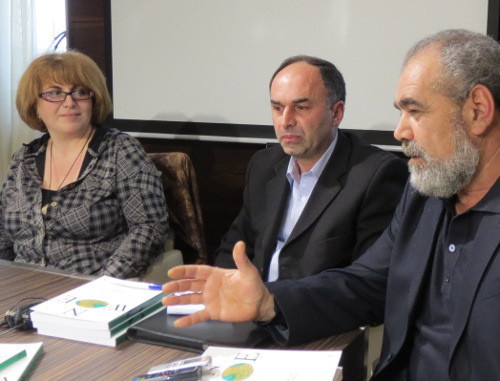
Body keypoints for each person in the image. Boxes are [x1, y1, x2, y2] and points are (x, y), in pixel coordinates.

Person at [162, 29, 500, 380]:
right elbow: (364, 284)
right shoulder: (423, 198)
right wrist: (269, 302)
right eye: (401, 113)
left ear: (478, 109)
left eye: (415, 111)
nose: (401, 132)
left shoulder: (384, 176)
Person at [215, 55, 408, 281]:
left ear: (336, 113)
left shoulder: (375, 175)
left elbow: (366, 280)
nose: (285, 121)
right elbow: (234, 248)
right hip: (250, 308)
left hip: (315, 312)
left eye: (301, 107)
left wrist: (274, 303)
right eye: (277, 108)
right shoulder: (263, 165)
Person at [0, 51, 168, 279]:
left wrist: (101, 285)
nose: (69, 102)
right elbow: (3, 234)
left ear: (94, 99)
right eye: (54, 93)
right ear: (34, 105)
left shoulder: (121, 150)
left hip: (90, 290)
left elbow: (149, 228)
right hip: (23, 285)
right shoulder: (24, 158)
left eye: (80, 92)